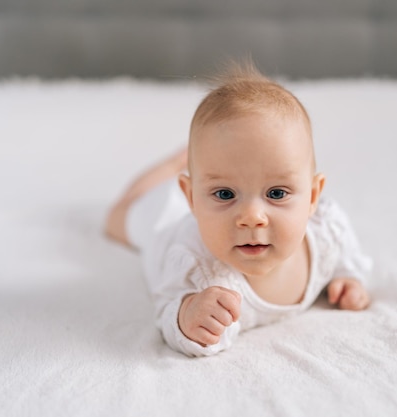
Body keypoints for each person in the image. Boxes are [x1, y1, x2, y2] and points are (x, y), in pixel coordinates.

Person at [105, 60, 372, 357]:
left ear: (312, 198)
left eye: (276, 193)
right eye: (224, 193)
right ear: (192, 198)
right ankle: (171, 166)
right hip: (160, 223)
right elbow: (167, 309)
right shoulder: (194, 265)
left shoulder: (326, 230)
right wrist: (187, 316)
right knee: (118, 218)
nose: (251, 217)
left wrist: (348, 278)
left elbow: (347, 255)